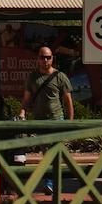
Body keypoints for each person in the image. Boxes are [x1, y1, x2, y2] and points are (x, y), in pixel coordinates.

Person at [18, 46, 74, 195]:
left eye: (48, 57)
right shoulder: (33, 78)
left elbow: (68, 100)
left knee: (51, 153)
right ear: (37, 59)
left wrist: (70, 122)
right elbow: (26, 99)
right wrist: (22, 112)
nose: (45, 60)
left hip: (57, 119)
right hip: (40, 120)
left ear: (52, 58)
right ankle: (54, 183)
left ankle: (50, 184)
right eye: (42, 57)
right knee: (47, 153)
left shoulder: (60, 77)